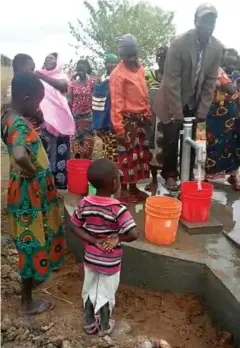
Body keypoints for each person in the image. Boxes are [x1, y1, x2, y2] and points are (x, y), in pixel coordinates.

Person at [1, 72, 64, 315]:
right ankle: (27, 302)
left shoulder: (8, 115)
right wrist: (32, 171)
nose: (38, 107)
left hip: (22, 191)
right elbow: (19, 154)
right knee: (31, 242)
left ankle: (33, 281)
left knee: (31, 239)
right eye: (37, 102)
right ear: (26, 98)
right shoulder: (17, 124)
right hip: (30, 193)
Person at [153, 3, 224, 191]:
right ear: (195, 21)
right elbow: (171, 80)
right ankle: (169, 175)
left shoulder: (217, 48)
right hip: (171, 98)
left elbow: (210, 81)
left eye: (212, 23)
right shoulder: (179, 44)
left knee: (196, 139)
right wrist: (177, 113)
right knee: (171, 136)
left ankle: (189, 173)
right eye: (204, 22)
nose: (208, 27)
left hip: (197, 99)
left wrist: (202, 111)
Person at [71, 158, 138, 336]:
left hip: (91, 257)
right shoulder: (118, 209)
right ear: (115, 183)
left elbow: (74, 226)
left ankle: (89, 321)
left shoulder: (84, 203)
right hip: (110, 260)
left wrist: (93, 240)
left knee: (90, 287)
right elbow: (133, 234)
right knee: (106, 291)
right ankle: (105, 325)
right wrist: (117, 238)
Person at [109, 34, 152, 203]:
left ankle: (134, 188)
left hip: (140, 120)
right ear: (121, 55)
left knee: (140, 157)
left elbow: (145, 94)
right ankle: (125, 191)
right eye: (128, 55)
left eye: (134, 54)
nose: (132, 58)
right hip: (127, 122)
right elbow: (116, 103)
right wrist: (119, 128)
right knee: (126, 158)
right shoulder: (117, 74)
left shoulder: (140, 69)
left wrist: (147, 114)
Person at [35, 53, 75, 190]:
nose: (47, 59)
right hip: (43, 120)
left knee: (60, 151)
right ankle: (45, 184)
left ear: (58, 63)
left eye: (51, 58)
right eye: (46, 57)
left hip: (60, 120)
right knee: (44, 151)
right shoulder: (37, 75)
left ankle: (60, 183)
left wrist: (42, 77)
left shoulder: (61, 76)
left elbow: (63, 87)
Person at [205, 49, 240, 190]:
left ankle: (233, 176)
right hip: (215, 117)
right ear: (222, 59)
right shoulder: (216, 71)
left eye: (234, 59)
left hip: (234, 117)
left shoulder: (236, 74)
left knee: (234, 147)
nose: (231, 62)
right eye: (228, 59)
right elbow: (230, 89)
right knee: (213, 146)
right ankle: (207, 177)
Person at [145, 46, 168, 189]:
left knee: (167, 148)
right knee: (151, 148)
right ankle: (153, 180)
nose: (161, 60)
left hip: (167, 118)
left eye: (165, 57)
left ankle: (168, 177)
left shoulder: (173, 76)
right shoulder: (149, 76)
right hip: (152, 118)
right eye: (159, 57)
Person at [92, 54, 118, 161]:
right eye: (110, 62)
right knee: (105, 140)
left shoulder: (118, 77)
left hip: (113, 113)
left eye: (114, 62)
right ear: (105, 64)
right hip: (102, 113)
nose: (112, 65)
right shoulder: (101, 78)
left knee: (113, 142)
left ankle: (111, 166)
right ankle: (106, 162)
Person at [68, 59, 96, 159]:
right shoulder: (72, 84)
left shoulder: (92, 82)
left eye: (83, 70)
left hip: (88, 115)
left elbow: (96, 98)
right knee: (76, 141)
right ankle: (78, 163)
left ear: (87, 69)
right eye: (79, 70)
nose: (81, 72)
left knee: (88, 141)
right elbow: (70, 99)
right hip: (76, 115)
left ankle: (87, 163)